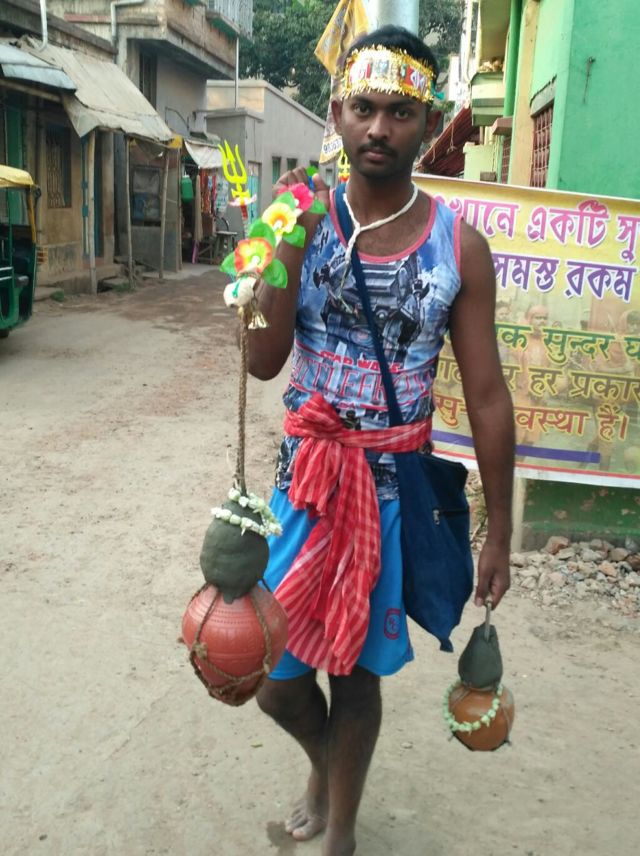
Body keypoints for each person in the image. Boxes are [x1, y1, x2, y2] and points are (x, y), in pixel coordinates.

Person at [246, 25, 514, 856]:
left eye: (400, 111)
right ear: (336, 112)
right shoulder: (300, 218)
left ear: (429, 122)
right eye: (363, 107)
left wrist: (500, 530)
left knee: (356, 678)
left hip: (392, 493)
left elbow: (488, 395)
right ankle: (325, 769)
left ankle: (343, 831)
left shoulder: (459, 246)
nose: (378, 127)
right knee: (274, 679)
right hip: (304, 484)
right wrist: (284, 240)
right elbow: (261, 361)